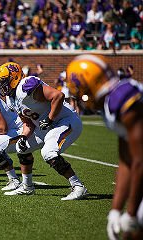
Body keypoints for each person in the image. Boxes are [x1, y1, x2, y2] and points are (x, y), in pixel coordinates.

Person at [66, 54, 143, 239]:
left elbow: (140, 160)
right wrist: (115, 210)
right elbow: (126, 161)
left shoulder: (122, 99)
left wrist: (131, 212)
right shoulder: (110, 103)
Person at [0, 62, 87, 200]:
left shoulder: (26, 86)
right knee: (22, 149)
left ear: (14, 78)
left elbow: (58, 96)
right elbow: (27, 122)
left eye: (4, 82)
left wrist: (50, 119)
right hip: (44, 126)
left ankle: (78, 186)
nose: (2, 86)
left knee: (48, 153)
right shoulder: (11, 98)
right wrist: (24, 137)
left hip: (64, 121)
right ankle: (27, 187)